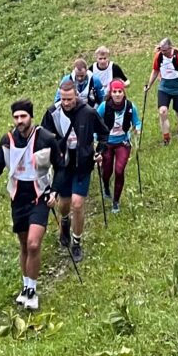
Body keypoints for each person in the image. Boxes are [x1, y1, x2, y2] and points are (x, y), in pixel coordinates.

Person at [0, 99, 56, 311]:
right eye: (16, 117)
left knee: (34, 244)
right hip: (18, 198)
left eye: (23, 116)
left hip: (40, 196)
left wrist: (55, 192)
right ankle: (25, 287)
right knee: (24, 245)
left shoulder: (45, 137)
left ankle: (32, 291)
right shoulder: (7, 140)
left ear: (31, 117)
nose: (19, 121)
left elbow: (60, 166)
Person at [41, 77, 109, 263]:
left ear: (76, 96)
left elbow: (104, 132)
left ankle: (77, 242)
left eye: (69, 99)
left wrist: (100, 150)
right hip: (62, 165)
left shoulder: (88, 112)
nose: (66, 103)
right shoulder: (52, 113)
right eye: (63, 99)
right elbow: (42, 137)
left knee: (77, 204)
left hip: (83, 163)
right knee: (63, 203)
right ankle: (64, 221)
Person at [96, 79, 140, 211]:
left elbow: (137, 122)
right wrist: (94, 136)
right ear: (111, 93)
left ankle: (116, 201)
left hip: (123, 143)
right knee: (107, 171)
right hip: (107, 143)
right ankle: (106, 186)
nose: (117, 94)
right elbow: (95, 121)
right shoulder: (104, 106)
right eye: (114, 92)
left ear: (123, 93)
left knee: (119, 171)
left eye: (120, 91)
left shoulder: (130, 106)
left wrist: (138, 128)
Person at [148, 37, 178, 144]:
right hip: (164, 87)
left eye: (165, 50)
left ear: (170, 47)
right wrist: (149, 85)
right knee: (162, 111)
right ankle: (166, 139)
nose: (163, 52)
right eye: (161, 50)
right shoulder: (159, 56)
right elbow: (155, 70)